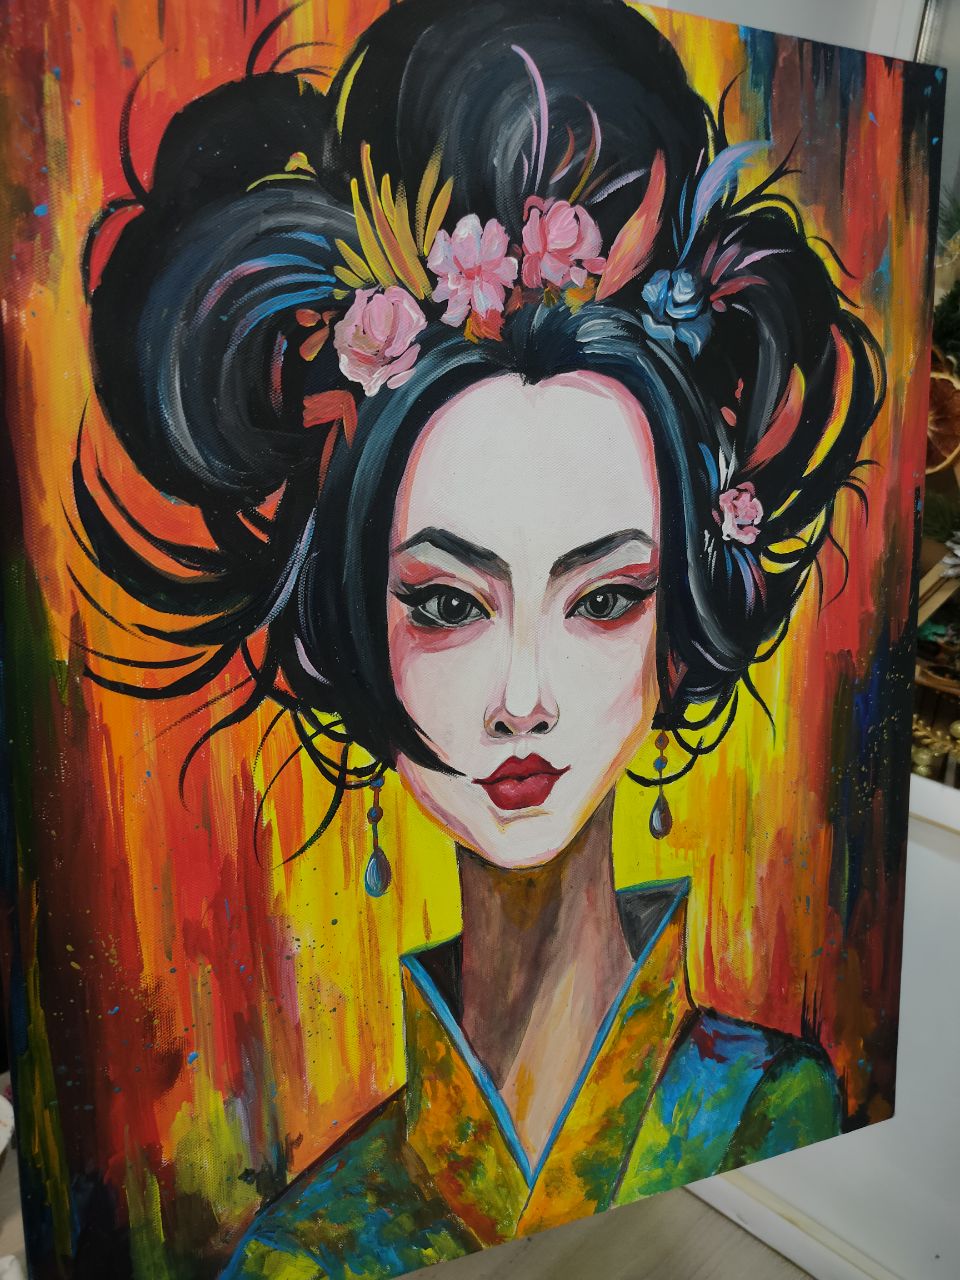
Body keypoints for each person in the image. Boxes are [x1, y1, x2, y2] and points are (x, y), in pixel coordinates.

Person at [75, 0, 885, 1275]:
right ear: (352, 632)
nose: (524, 696)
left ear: (679, 628)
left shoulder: (780, 1112)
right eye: (448, 603)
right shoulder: (302, 1247)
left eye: (605, 596)